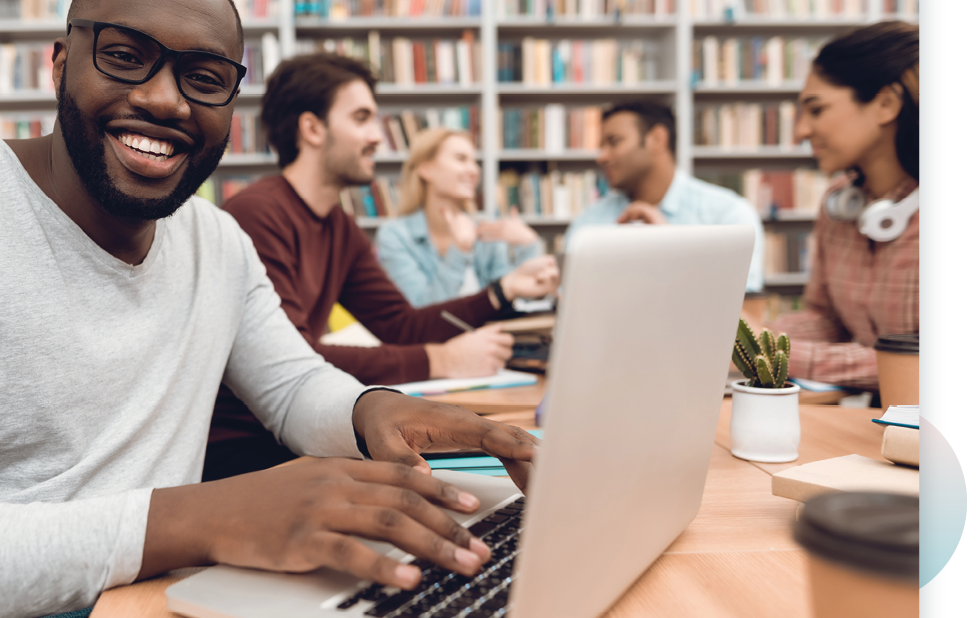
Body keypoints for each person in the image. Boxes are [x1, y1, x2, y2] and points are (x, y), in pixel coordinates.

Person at [0, 0, 537, 618]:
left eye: (204, 80)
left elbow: (293, 386)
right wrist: (197, 520)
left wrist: (371, 409)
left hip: (160, 592)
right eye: (125, 56)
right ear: (58, 65)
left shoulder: (216, 240)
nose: (168, 100)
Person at [206, 53, 558, 481]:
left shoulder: (339, 226)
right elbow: (295, 361)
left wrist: (502, 290)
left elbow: (399, 324)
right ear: (312, 128)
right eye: (362, 118)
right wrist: (439, 358)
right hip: (246, 452)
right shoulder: (258, 214)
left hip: (301, 437)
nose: (379, 136)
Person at [766, 21, 920, 392]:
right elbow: (826, 320)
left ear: (886, 104)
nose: (801, 131)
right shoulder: (839, 203)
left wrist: (774, 352)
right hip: (875, 424)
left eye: (816, 110)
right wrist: (748, 336)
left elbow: (925, 363)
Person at [563, 102, 766, 292]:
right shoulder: (589, 223)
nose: (602, 156)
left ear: (657, 139)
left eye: (614, 142)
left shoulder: (727, 216)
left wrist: (673, 250)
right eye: (601, 146)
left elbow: (744, 312)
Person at [375, 127, 560, 308]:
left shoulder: (486, 232)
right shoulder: (395, 235)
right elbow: (420, 312)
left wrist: (529, 245)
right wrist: (460, 250)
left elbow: (510, 300)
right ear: (426, 169)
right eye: (461, 159)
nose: (474, 170)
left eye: (474, 161)